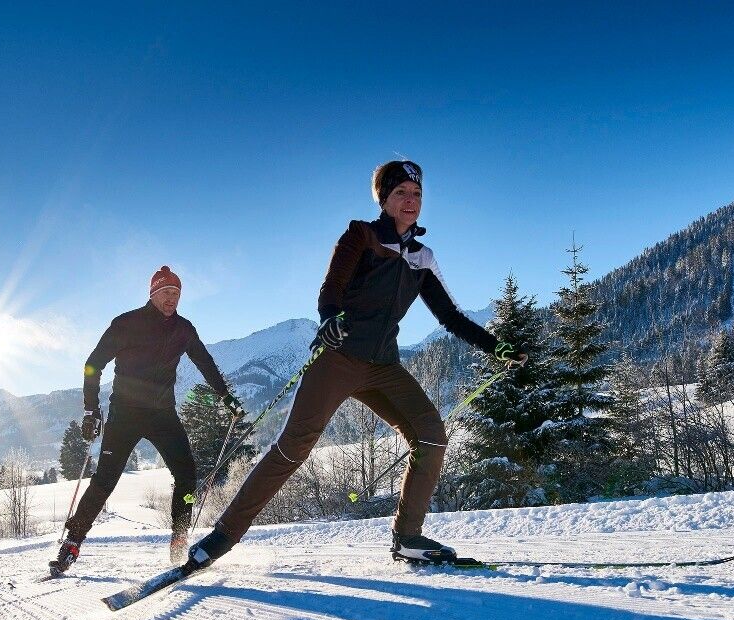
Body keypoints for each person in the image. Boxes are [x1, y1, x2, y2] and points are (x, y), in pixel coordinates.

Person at [187, 160, 525, 569]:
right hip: (339, 357)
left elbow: (450, 316)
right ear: (384, 199)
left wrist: (497, 347)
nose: (411, 200)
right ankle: (223, 536)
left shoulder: (423, 258)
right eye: (401, 192)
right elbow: (332, 285)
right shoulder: (361, 235)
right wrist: (330, 318)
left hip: (383, 367)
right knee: (293, 448)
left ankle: (408, 537)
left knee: (432, 435)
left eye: (417, 194)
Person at [51, 265, 244, 573]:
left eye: (176, 293)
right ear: (153, 294)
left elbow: (205, 362)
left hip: (162, 415)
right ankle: (73, 542)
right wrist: (91, 409)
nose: (172, 299)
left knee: (187, 473)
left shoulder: (184, 329)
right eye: (166, 292)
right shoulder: (126, 323)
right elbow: (93, 364)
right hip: (124, 415)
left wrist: (226, 396)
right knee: (105, 480)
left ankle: (179, 537)